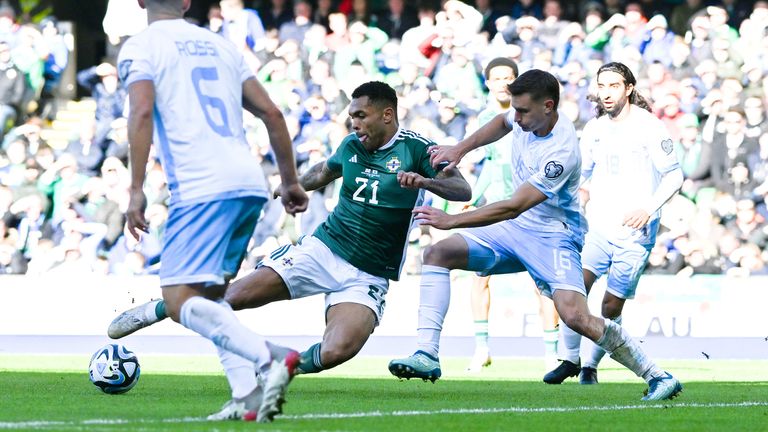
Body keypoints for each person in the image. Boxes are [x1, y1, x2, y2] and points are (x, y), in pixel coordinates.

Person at [107, 81, 472, 418]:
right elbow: (324, 172)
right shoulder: (351, 146)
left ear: (387, 114)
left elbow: (462, 189)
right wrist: (291, 185)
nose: (354, 124)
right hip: (324, 250)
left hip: (370, 273)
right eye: (351, 117)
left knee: (337, 351)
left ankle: (276, 369)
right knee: (230, 297)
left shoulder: (417, 149)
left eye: (360, 116)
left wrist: (425, 181)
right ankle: (155, 309)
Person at [387, 69, 683, 401]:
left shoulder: (562, 151)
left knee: (575, 316)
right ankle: (426, 354)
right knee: (437, 254)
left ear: (548, 106)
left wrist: (452, 220)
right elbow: (502, 123)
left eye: (523, 111)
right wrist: (460, 149)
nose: (516, 117)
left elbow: (514, 205)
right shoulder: (525, 116)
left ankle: (658, 375)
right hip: (514, 229)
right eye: (515, 109)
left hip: (553, 237)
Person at [117, 0, 308, 423]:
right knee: (212, 296)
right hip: (248, 183)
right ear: (187, 2)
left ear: (140, 1)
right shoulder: (221, 45)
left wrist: (135, 189)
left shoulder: (141, 45)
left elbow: (142, 110)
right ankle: (246, 394)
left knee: (179, 296)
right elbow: (273, 114)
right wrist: (290, 181)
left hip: (202, 186)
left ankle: (270, 356)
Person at [543, 62, 684, 385]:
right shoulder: (594, 129)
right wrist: (573, 198)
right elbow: (582, 175)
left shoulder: (650, 127)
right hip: (596, 229)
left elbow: (674, 175)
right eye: (602, 86)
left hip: (635, 234)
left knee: (610, 305)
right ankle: (569, 359)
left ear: (629, 88)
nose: (606, 93)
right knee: (572, 289)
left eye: (614, 86)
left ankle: (591, 364)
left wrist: (649, 208)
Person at [465, 57, 560, 373]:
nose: (503, 82)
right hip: (495, 205)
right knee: (479, 277)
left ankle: (551, 354)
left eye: (509, 77)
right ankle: (481, 348)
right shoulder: (485, 116)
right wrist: (474, 197)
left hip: (529, 207)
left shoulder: (530, 116)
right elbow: (491, 166)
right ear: (487, 82)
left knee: (542, 282)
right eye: (497, 78)